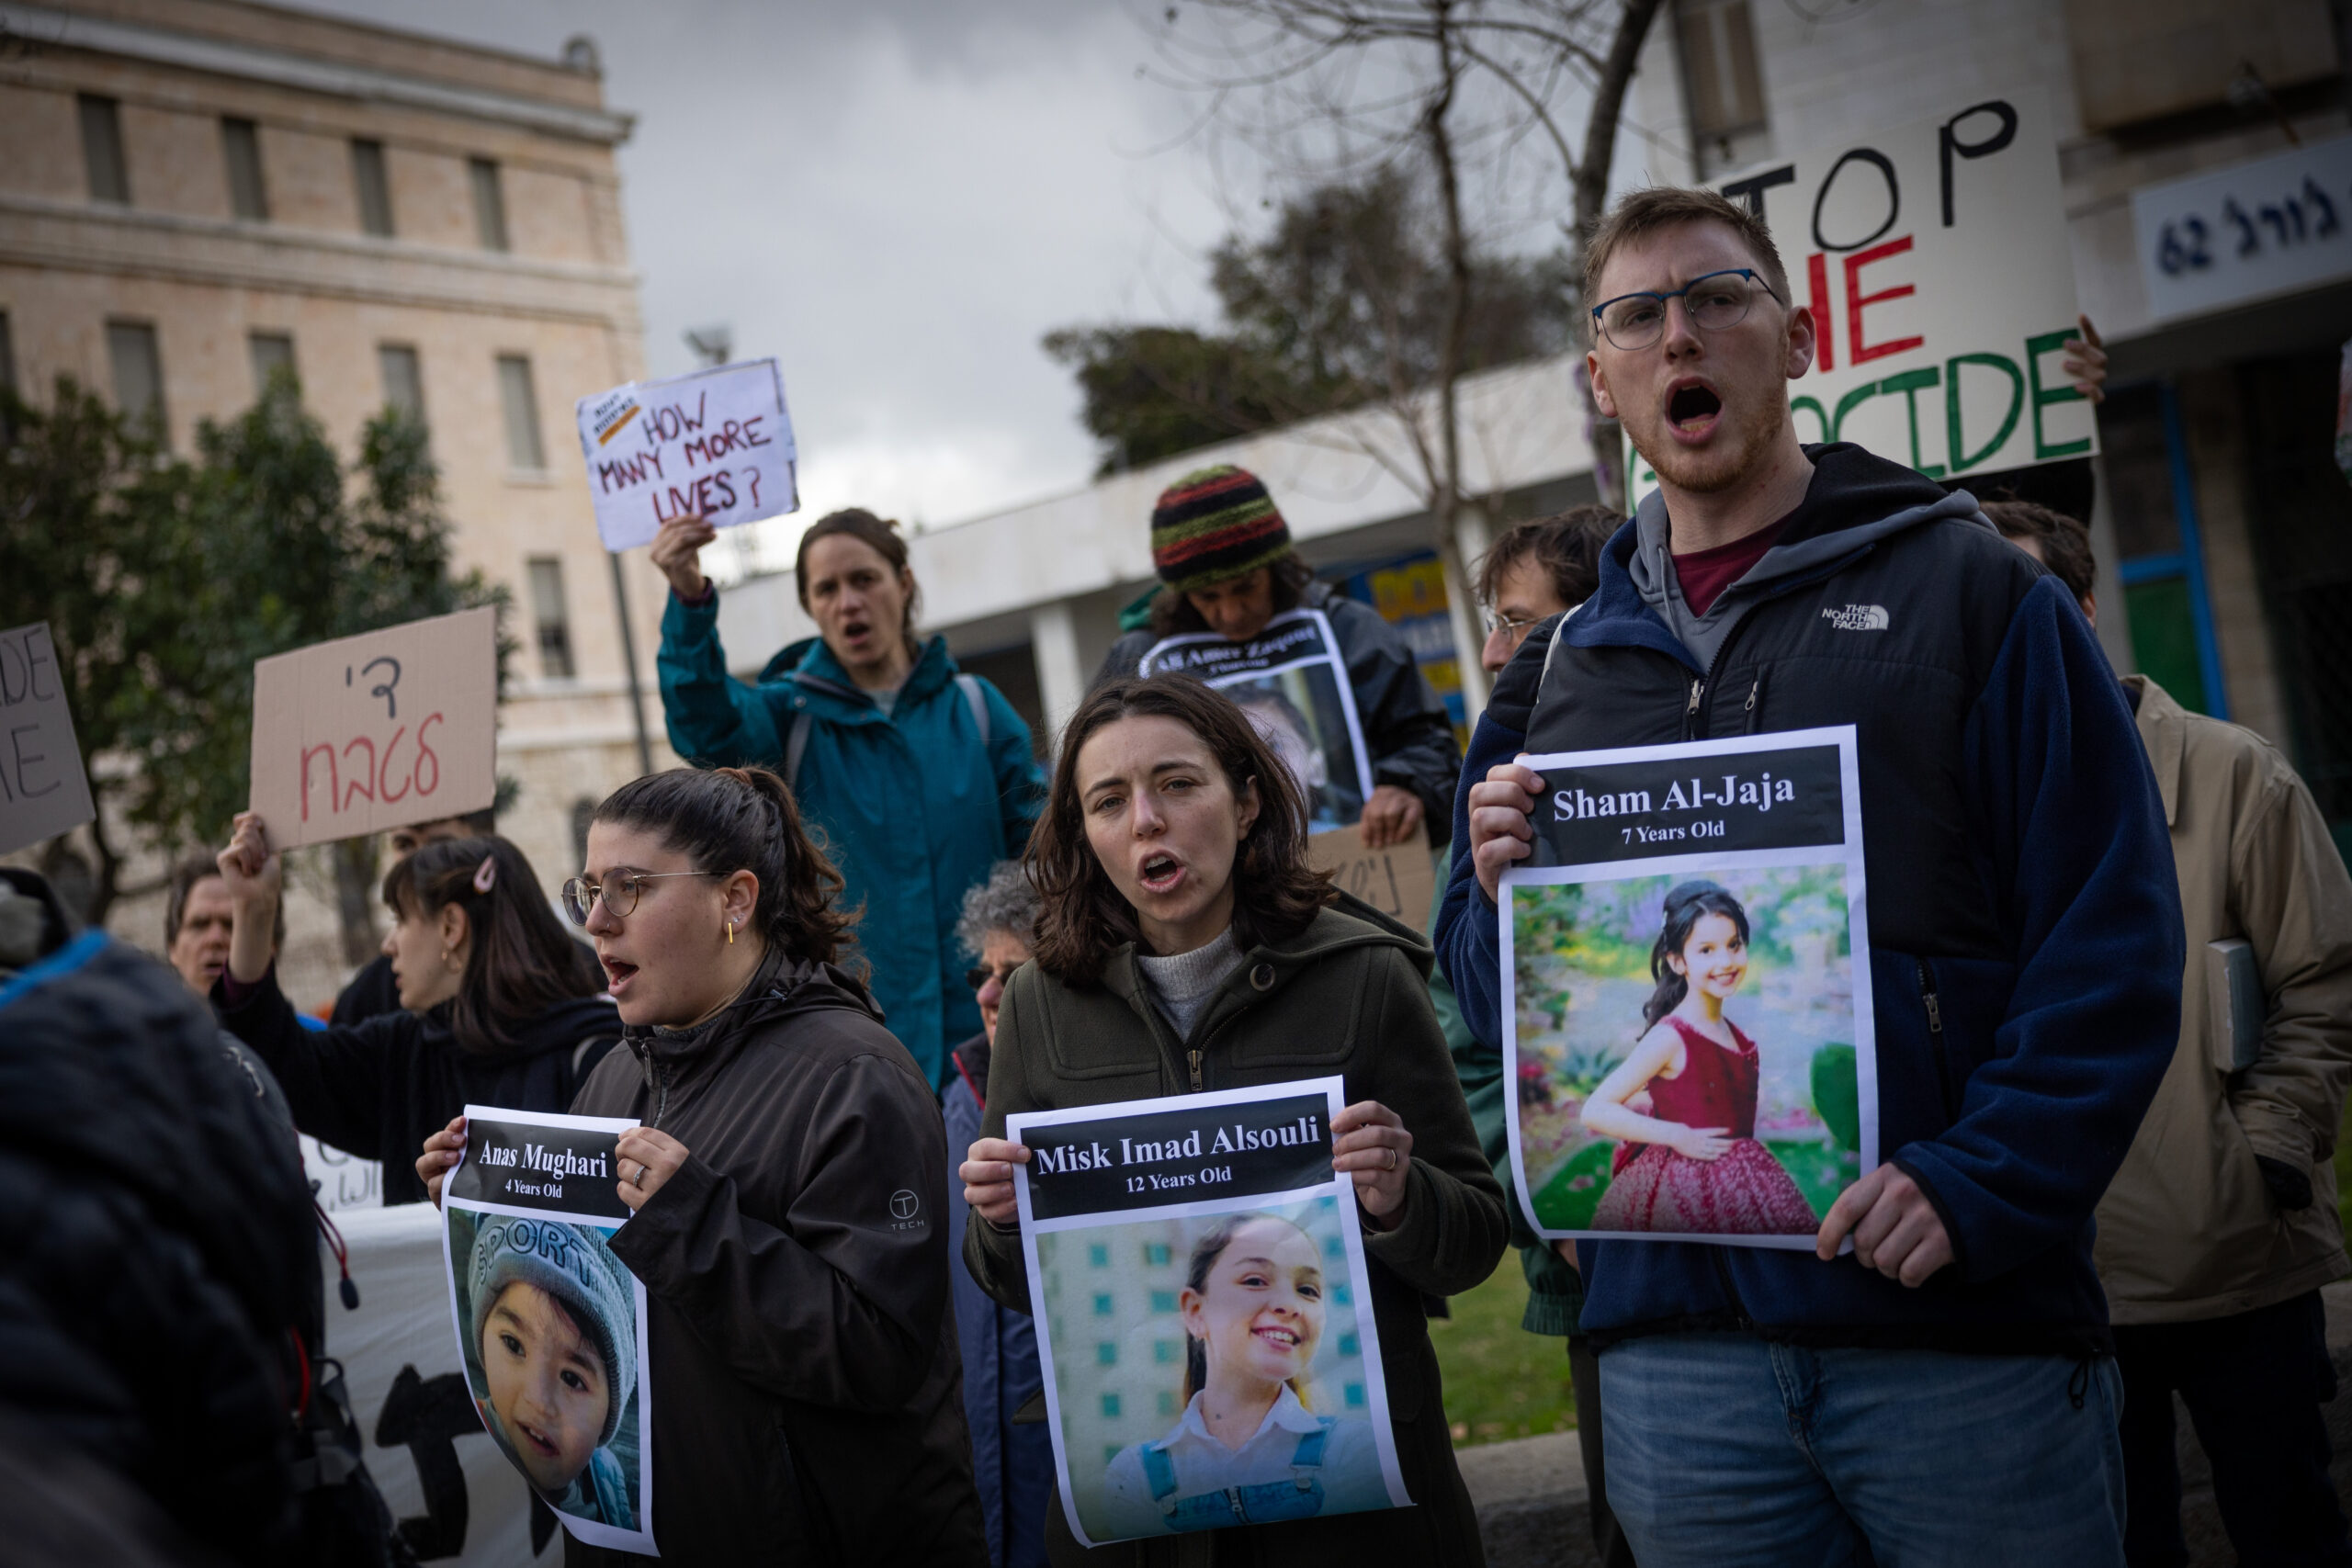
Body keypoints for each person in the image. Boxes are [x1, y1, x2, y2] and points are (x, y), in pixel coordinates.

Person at [1436, 186, 2182, 1566]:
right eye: (1637, 316)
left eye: (1720, 298)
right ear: (1600, 379)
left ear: (1798, 335)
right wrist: (1498, 897)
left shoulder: (1975, 594)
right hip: (1680, 1371)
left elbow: (2114, 937)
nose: (1681, 339)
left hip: (1955, 1340)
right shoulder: (1554, 672)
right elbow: (1486, 999)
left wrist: (1983, 1180)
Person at [960, 674, 1507, 1564]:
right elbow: (1018, 1283)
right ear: (1084, 836)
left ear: (1246, 800)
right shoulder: (1035, 1005)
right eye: (1109, 800)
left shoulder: (1364, 973)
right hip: (1140, 1524)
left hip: (1355, 1508)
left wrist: (1400, 1195)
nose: (1145, 820)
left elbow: (1475, 1241)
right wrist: (999, 1224)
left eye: (1177, 784)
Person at [421, 764, 986, 1564]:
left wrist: (693, 1223)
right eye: (588, 892)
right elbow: (573, 1296)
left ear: (736, 900)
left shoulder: (854, 1074)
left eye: (631, 888)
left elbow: (878, 1354)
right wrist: (479, 1201)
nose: (598, 923)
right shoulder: (618, 1071)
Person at [1987, 498, 2352, 1568]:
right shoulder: (1961, 800)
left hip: (2237, 1256)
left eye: (2027, 600)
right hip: (2060, 1273)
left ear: (2086, 611)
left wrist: (2266, 1150)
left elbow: (2323, 981)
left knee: (2288, 1529)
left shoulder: (2238, 774)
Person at [0, 867, 334, 1565]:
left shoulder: (235, 1071)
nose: (216, 939)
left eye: (229, 923)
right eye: (199, 925)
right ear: (169, 941)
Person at [651, 505, 1046, 1089]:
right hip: (852, 1048)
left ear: (903, 582)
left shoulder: (978, 707)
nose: (848, 601)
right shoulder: (789, 717)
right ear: (811, 607)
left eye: (864, 579)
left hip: (991, 1039)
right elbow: (706, 725)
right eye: (826, 589)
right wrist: (689, 602)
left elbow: (1045, 858)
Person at [1455, 503, 1637, 1568]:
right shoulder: (1491, 791)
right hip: (1588, 1262)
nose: (1490, 651)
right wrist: (1548, 1202)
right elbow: (1473, 1028)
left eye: (1516, 625)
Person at [213, 822, 620, 1205]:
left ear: (450, 927)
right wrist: (254, 910)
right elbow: (275, 1065)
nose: (389, 944)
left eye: (401, 919)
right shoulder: (403, 1051)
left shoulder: (599, 1058)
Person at [1097, 465, 1460, 851]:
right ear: (1179, 594)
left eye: (1246, 588)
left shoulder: (1349, 630)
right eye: (1208, 598)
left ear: (1275, 567)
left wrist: (1406, 787)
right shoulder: (1138, 659)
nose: (1232, 613)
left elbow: (1428, 743)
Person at [1098, 1213, 1390, 1539]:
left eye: (1307, 1289)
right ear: (1195, 1312)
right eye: (1255, 1280)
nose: (1289, 1305)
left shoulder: (1354, 1451)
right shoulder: (1134, 1475)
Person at [1582, 881, 1817, 1235]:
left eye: (1734, 945)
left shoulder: (1734, 1034)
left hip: (1746, 1178)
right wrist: (1674, 1133)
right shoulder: (1671, 1036)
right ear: (1678, 961)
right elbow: (1596, 1108)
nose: (1725, 962)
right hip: (1681, 1185)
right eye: (1706, 950)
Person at [944, 863, 1054, 1568]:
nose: (986, 992)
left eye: (1012, 975)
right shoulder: (954, 1101)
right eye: (984, 971)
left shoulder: (1107, 1109)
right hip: (982, 1476)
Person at [467, 1215, 637, 1529]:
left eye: (572, 1378)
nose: (538, 1399)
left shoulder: (608, 1478)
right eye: (514, 1345)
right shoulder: (469, 1446)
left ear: (608, 1414)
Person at [332, 809, 499, 1026]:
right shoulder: (366, 1001)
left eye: (440, 845)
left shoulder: (533, 977)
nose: (420, 862)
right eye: (405, 845)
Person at [165, 852, 278, 997]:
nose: (215, 939)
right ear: (173, 947)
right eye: (199, 925)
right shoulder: (136, 1019)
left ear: (271, 947)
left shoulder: (294, 1020)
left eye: (232, 925)